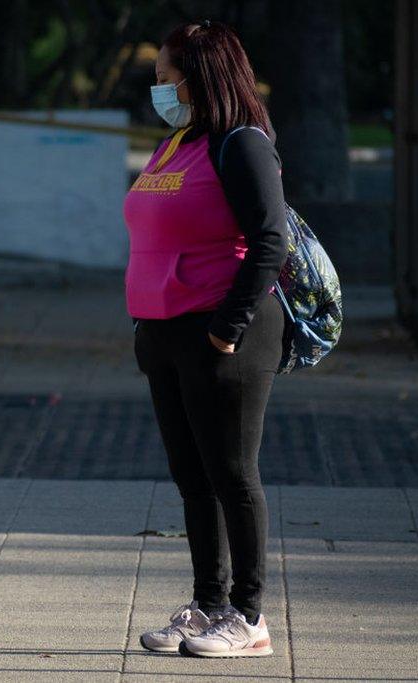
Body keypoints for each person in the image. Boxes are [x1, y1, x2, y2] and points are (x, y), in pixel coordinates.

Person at [127, 20, 287, 658]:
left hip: (223, 334)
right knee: (192, 478)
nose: (158, 87)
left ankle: (248, 618)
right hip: (164, 334)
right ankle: (209, 604)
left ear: (198, 75)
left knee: (232, 475)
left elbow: (269, 239)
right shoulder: (177, 143)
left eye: (165, 76)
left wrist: (226, 329)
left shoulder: (243, 143)